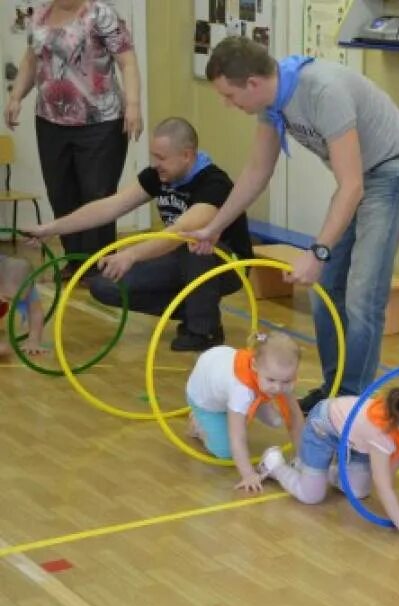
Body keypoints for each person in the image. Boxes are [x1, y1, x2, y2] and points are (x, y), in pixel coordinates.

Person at [188, 37, 399, 410]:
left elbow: (352, 186)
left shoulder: (323, 92)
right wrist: (216, 224)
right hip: (362, 179)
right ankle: (335, 391)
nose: (227, 104)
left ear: (252, 82)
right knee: (326, 290)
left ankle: (351, 403)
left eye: (229, 96)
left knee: (363, 294)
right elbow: (256, 172)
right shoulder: (273, 103)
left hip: (393, 173)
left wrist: (317, 251)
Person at [27, 117, 253, 350]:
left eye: (161, 158)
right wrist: (51, 228)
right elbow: (110, 206)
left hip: (225, 264)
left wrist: (130, 255)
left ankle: (205, 330)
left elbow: (181, 232)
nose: (155, 164)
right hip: (181, 256)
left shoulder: (214, 183)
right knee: (105, 285)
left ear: (186, 155)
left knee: (194, 245)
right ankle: (198, 309)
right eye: (153, 156)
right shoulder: (160, 175)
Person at [5, 0, 143, 277]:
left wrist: (134, 105)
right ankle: (74, 260)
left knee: (97, 194)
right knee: (61, 193)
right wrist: (16, 96)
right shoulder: (40, 13)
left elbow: (127, 61)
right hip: (50, 121)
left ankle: (97, 265)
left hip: (100, 122)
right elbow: (31, 59)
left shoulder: (100, 13)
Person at [258, 382, 399, 545]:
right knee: (311, 495)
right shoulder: (382, 434)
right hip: (324, 427)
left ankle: (313, 470)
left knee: (359, 490)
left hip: (357, 442)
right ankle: (274, 464)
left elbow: (387, 475)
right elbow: (384, 487)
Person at [185, 331, 304, 492]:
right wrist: (248, 474)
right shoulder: (241, 390)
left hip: (220, 364)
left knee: (277, 420)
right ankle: (197, 424)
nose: (278, 387)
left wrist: (304, 458)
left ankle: (259, 399)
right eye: (271, 380)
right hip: (205, 400)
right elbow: (237, 436)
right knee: (225, 450)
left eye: (286, 381)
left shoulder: (276, 373)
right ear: (254, 365)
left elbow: (295, 416)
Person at [0, 255, 46, 356]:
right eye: (6, 297)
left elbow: (36, 312)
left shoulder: (25, 286)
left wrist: (34, 341)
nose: (5, 300)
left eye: (12, 299)